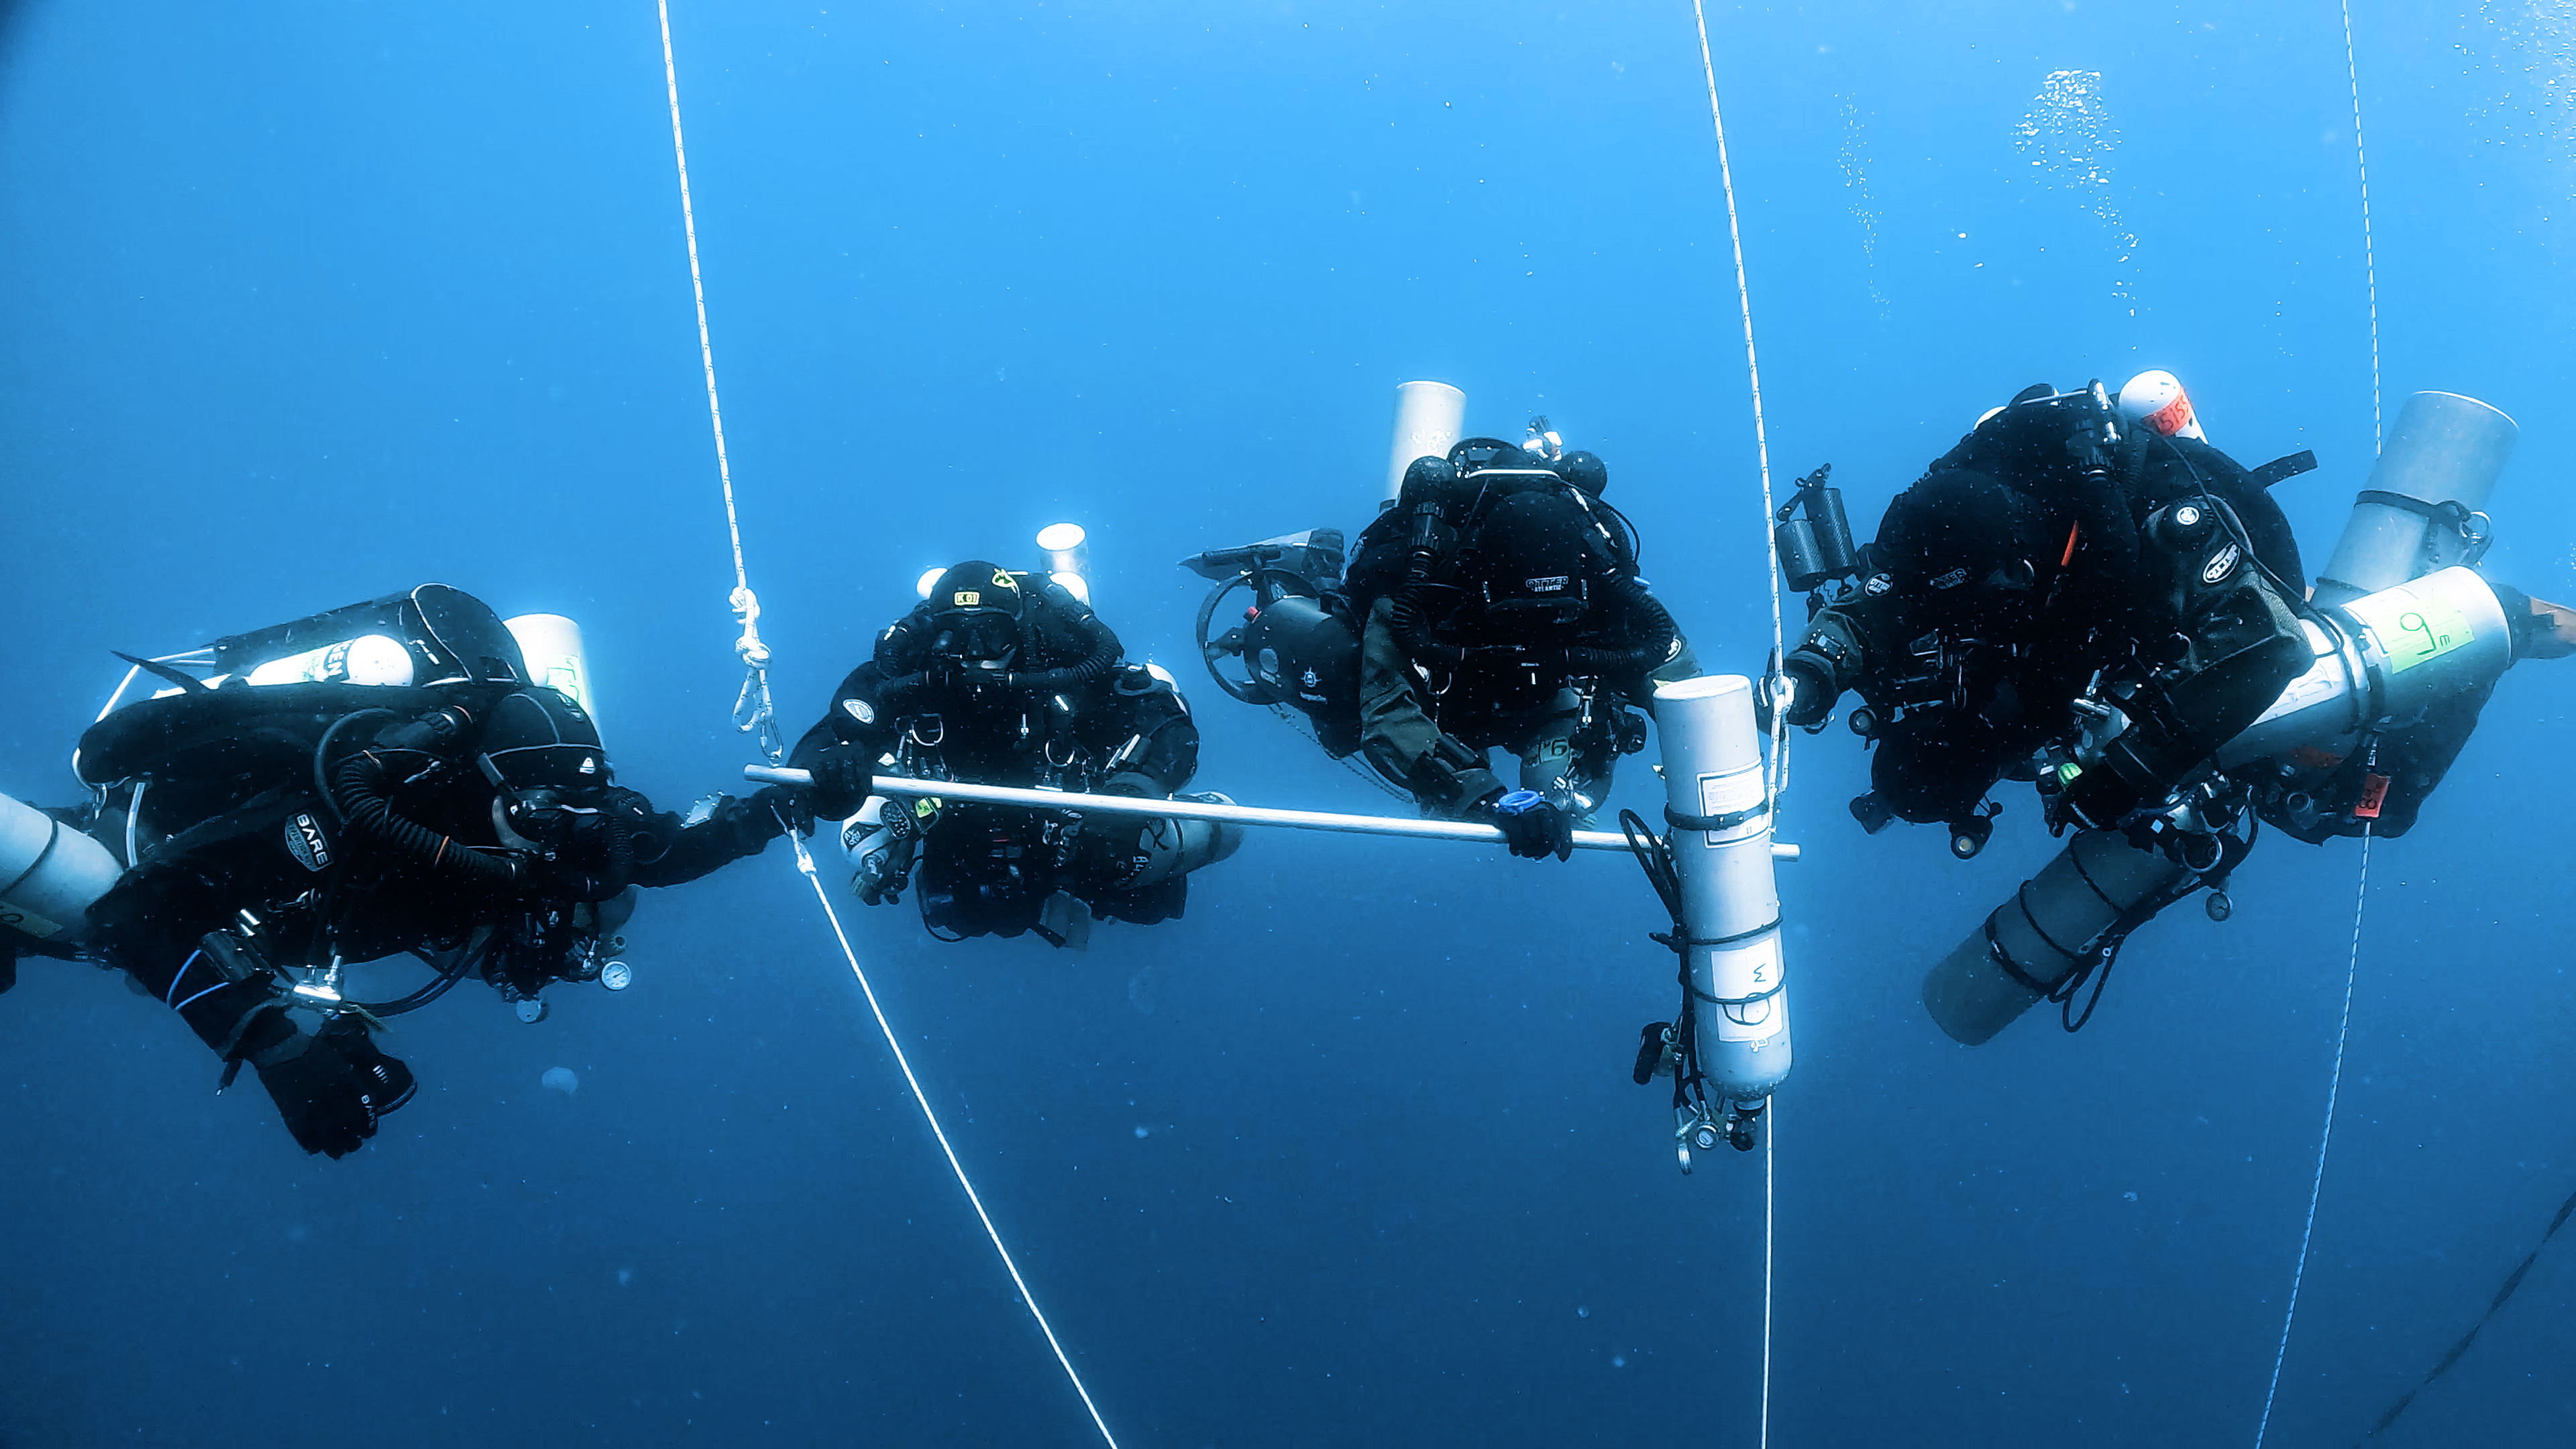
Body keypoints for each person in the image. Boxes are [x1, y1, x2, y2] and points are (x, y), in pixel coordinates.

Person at [1, 584, 796, 1157]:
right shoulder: (354, 812)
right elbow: (137, 916)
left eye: (575, 823)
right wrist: (277, 1051)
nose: (553, 849)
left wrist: (782, 810)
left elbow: (669, 853)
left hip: (276, 927)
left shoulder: (579, 826)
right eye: (534, 819)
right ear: (477, 784)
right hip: (148, 852)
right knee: (79, 907)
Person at [1770, 378, 2316, 857]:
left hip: (2191, 599)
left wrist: (2129, 775)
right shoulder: (1943, 552)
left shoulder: (2156, 515)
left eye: (2012, 581)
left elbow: (2275, 650)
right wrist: (1812, 671)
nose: (2000, 601)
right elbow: (1871, 610)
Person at [1182, 433, 1698, 863]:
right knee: (1343, 675)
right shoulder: (1423, 585)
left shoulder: (1602, 578)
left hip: (1538, 703)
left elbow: (1680, 675)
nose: (1531, 626)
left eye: (1551, 611)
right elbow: (1386, 711)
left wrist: (1740, 719)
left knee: (1555, 787)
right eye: (1515, 610)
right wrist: (1486, 799)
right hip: (1448, 702)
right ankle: (1304, 576)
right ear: (1482, 580)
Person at [786, 559, 1239, 946]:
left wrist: (1135, 790)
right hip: (957, 824)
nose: (976, 656)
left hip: (1075, 829)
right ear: (936, 639)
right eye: (957, 639)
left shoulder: (1063, 666)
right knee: (965, 912)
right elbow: (838, 724)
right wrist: (836, 761)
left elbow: (1165, 720)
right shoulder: (917, 679)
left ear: (1019, 633)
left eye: (992, 637)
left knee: (1136, 891)